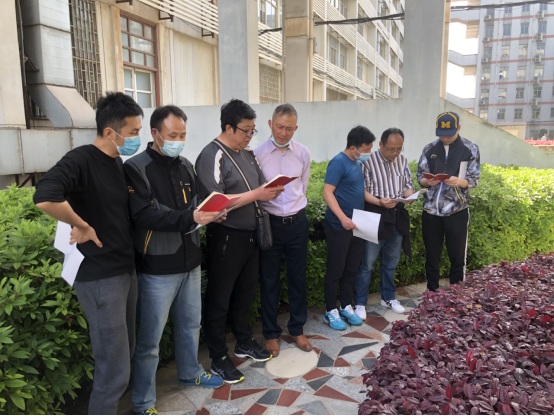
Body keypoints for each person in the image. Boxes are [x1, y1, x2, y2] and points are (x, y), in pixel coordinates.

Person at [33, 92, 143, 415]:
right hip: (100, 278)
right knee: (113, 368)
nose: (137, 137)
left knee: (124, 356)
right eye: (134, 132)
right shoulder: (80, 160)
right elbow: (44, 196)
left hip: (124, 271)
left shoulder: (116, 162)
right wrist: (81, 224)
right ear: (110, 132)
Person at [124, 106, 226, 415]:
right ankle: (143, 403)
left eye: (182, 135)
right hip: (157, 267)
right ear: (155, 133)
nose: (178, 141)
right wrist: (192, 217)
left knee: (190, 324)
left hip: (190, 261)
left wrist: (211, 213)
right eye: (173, 135)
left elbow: (195, 205)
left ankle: (190, 372)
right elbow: (143, 215)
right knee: (150, 342)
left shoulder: (184, 165)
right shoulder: (136, 168)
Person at [195, 99, 285, 384]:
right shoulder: (212, 155)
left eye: (252, 130)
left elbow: (258, 187)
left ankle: (243, 341)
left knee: (245, 293)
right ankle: (218, 357)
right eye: (246, 130)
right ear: (228, 127)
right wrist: (258, 194)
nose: (250, 136)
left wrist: (270, 191)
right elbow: (214, 203)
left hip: (251, 234)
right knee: (220, 298)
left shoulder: (247, 155)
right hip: (226, 236)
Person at [254, 104, 312, 357]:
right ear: (270, 124)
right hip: (271, 224)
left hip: (297, 223)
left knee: (297, 278)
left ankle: (297, 329)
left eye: (289, 128)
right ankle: (270, 334)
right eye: (279, 126)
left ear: (295, 128)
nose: (283, 132)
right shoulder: (257, 155)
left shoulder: (303, 153)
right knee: (269, 280)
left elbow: (303, 187)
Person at [354, 128, 415, 318]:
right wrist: (379, 202)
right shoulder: (367, 161)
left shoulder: (402, 161)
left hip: (396, 215)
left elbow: (408, 185)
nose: (395, 153)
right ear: (380, 144)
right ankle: (360, 302)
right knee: (367, 263)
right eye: (391, 149)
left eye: (399, 149)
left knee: (391, 261)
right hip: (373, 214)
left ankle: (388, 296)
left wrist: (409, 196)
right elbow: (362, 191)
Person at [417, 112, 480, 292]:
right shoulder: (429, 148)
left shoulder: (470, 148)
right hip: (431, 211)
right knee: (432, 256)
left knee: (457, 257)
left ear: (458, 128)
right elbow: (420, 176)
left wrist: (459, 181)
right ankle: (432, 294)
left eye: (449, 134)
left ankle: (456, 295)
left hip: (457, 211)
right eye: (441, 134)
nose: (444, 138)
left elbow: (474, 180)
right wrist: (427, 181)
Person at [323, 126, 376, 331]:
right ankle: (330, 310)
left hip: (357, 225)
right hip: (339, 226)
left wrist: (380, 202)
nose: (368, 153)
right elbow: (328, 193)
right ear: (354, 148)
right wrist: (343, 218)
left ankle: (345, 306)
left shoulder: (356, 163)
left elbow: (359, 191)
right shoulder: (338, 162)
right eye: (366, 149)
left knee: (352, 268)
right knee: (335, 270)